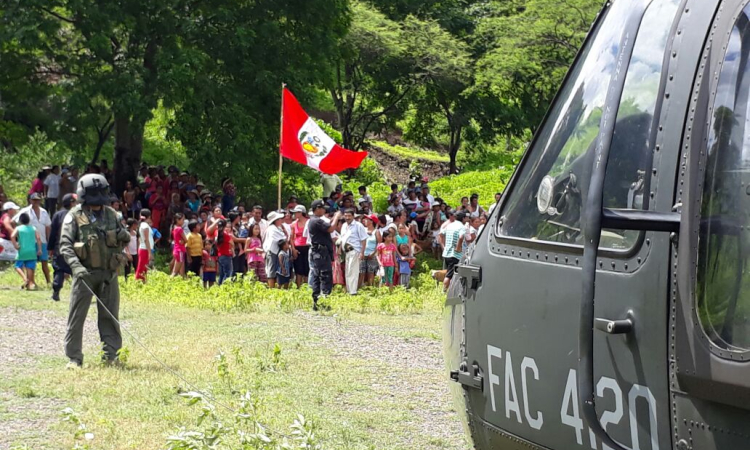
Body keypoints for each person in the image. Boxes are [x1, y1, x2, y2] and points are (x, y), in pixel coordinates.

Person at [60, 174, 131, 368]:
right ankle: (74, 357)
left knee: (110, 316)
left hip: (109, 274)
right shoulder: (73, 215)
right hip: (85, 274)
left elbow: (124, 239)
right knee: (77, 317)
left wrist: (123, 235)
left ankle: (111, 355)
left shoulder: (112, 215)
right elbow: (65, 245)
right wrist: (76, 267)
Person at [308, 200, 342, 310]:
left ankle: (317, 302)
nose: (324, 210)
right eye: (322, 208)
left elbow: (327, 225)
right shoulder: (316, 221)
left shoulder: (315, 221)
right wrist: (336, 216)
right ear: (317, 208)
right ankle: (323, 302)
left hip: (320, 252)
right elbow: (331, 228)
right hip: (321, 253)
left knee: (318, 277)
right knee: (325, 277)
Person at [14, 193, 52, 285]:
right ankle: (31, 282)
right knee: (30, 263)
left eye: (38, 200)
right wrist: (17, 238)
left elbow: (47, 226)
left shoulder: (44, 212)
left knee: (44, 262)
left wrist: (48, 241)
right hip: (29, 242)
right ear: (30, 200)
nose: (36, 202)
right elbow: (14, 221)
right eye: (34, 200)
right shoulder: (25, 211)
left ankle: (49, 282)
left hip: (42, 240)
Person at [48, 193, 77, 301]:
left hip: (60, 246)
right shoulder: (78, 215)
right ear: (71, 203)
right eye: (75, 202)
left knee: (59, 269)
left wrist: (50, 248)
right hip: (75, 247)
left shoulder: (58, 215)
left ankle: (56, 292)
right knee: (76, 269)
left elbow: (53, 233)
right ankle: (78, 293)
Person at [339, 209, 368, 295]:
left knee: (353, 271)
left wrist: (362, 252)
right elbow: (342, 238)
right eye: (346, 216)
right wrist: (339, 249)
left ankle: (353, 292)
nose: (347, 217)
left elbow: (363, 240)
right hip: (346, 251)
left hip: (355, 250)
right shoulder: (344, 225)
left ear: (353, 216)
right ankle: (349, 290)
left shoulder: (358, 225)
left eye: (349, 216)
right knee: (347, 271)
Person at [11, 213, 42, 290]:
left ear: (20, 221)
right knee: (30, 267)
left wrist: (15, 245)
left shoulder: (18, 228)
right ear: (29, 220)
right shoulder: (33, 228)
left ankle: (25, 279)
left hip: (22, 250)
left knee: (17, 266)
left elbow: (12, 236)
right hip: (32, 251)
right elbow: (38, 238)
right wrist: (40, 249)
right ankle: (29, 284)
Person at [439, 211, 466, 291]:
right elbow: (461, 237)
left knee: (448, 272)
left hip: (446, 253)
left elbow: (441, 234)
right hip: (455, 255)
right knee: (449, 275)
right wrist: (458, 248)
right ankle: (444, 291)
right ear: (463, 218)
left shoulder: (450, 225)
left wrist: (443, 246)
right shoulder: (461, 227)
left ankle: (449, 289)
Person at [262, 211, 286, 289]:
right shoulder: (272, 229)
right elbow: (282, 239)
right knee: (271, 271)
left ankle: (275, 287)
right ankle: (271, 288)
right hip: (272, 251)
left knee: (275, 270)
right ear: (276, 220)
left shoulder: (277, 228)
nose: (281, 220)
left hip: (276, 252)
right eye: (279, 219)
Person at [290, 205, 309, 287]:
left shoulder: (308, 222)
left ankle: (307, 286)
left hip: (307, 246)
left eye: (297, 212)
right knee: (298, 269)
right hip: (298, 247)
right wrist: (293, 249)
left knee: (307, 268)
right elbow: (291, 238)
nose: (295, 214)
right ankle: (298, 286)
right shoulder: (294, 224)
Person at [359, 215, 381, 287]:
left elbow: (379, 244)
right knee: (361, 272)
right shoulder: (363, 230)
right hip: (362, 254)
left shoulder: (376, 231)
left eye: (367, 219)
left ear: (371, 221)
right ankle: (359, 288)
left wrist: (373, 253)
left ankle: (371, 288)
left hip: (372, 255)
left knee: (370, 272)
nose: (365, 220)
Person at [215, 219, 235, 285]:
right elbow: (232, 243)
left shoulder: (217, 234)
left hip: (220, 256)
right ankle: (224, 288)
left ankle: (219, 287)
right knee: (228, 273)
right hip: (226, 255)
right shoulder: (226, 235)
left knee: (221, 274)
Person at [135, 209, 153, 282]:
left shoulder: (143, 225)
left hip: (144, 249)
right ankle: (138, 282)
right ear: (149, 216)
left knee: (144, 267)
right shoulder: (145, 226)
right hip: (144, 249)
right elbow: (146, 240)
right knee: (141, 267)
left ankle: (143, 282)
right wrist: (149, 252)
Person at [171, 213, 187, 277]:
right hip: (179, 249)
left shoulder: (174, 227)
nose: (184, 221)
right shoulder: (179, 229)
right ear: (177, 220)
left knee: (176, 270)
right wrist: (183, 241)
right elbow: (186, 240)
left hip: (176, 249)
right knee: (175, 272)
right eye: (183, 220)